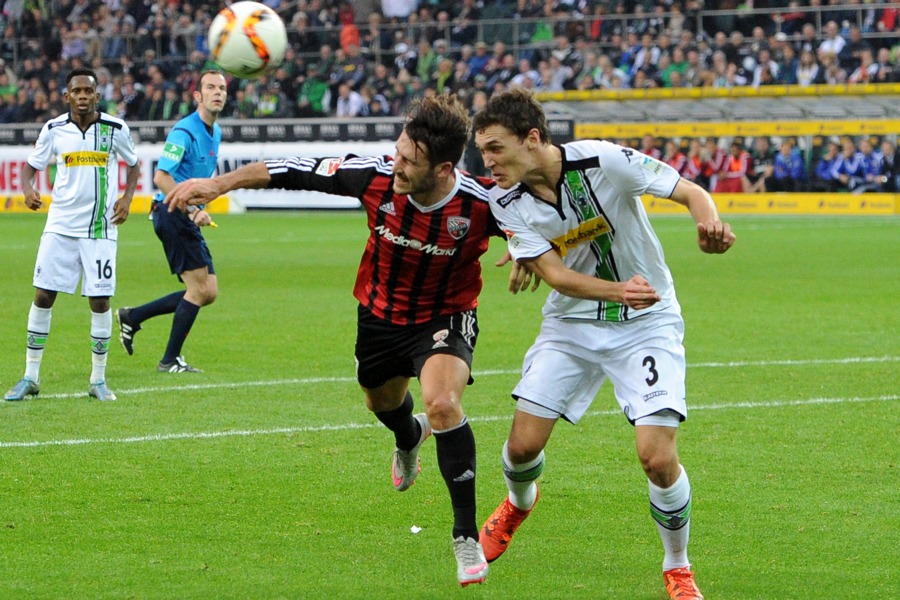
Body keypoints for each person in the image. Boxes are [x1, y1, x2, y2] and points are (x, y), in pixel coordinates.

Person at [163, 96, 524, 587]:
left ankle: (465, 537)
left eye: (409, 162)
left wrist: (528, 250)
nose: (396, 165)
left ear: (443, 169)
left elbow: (540, 227)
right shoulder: (374, 177)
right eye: (397, 152)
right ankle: (406, 436)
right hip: (378, 317)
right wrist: (217, 185)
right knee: (380, 400)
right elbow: (289, 169)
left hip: (445, 316)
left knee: (442, 403)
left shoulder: (482, 204)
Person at [472, 89, 736, 600]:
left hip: (648, 322)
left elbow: (688, 190)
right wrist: (617, 290)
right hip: (572, 324)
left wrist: (707, 222)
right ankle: (518, 503)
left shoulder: (605, 159)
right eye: (482, 151)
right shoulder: (503, 199)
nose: (489, 162)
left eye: (496, 148)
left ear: (532, 139)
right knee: (522, 447)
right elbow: (555, 276)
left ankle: (677, 567)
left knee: (657, 458)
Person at [4, 67, 140, 402]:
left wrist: (126, 198)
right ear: (66, 96)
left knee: (100, 300)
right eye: (76, 91)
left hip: (99, 227)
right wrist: (27, 189)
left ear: (97, 95)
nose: (82, 97)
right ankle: (30, 376)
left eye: (87, 91)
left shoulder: (115, 128)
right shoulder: (53, 130)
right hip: (60, 225)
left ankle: (98, 380)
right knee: (43, 296)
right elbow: (30, 167)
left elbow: (134, 163)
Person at [114, 70, 227, 374]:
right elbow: (162, 176)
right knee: (200, 290)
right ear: (197, 96)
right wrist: (191, 210)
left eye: (222, 88)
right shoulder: (184, 132)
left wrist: (199, 205)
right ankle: (170, 360)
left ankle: (133, 316)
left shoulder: (215, 132)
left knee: (208, 291)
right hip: (172, 213)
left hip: (183, 214)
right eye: (210, 88)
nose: (218, 92)